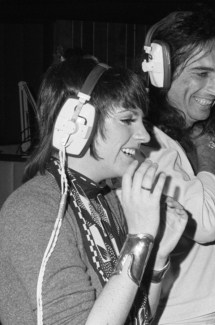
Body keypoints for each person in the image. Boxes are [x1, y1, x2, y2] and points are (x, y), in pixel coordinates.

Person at [0, 57, 188, 325]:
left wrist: (156, 256)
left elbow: (140, 318)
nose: (145, 136)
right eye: (127, 119)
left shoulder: (107, 198)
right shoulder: (32, 210)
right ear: (77, 123)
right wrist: (139, 238)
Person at [139, 8, 215, 325]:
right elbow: (204, 224)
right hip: (184, 313)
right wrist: (207, 144)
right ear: (160, 72)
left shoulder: (192, 132)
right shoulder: (147, 142)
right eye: (202, 74)